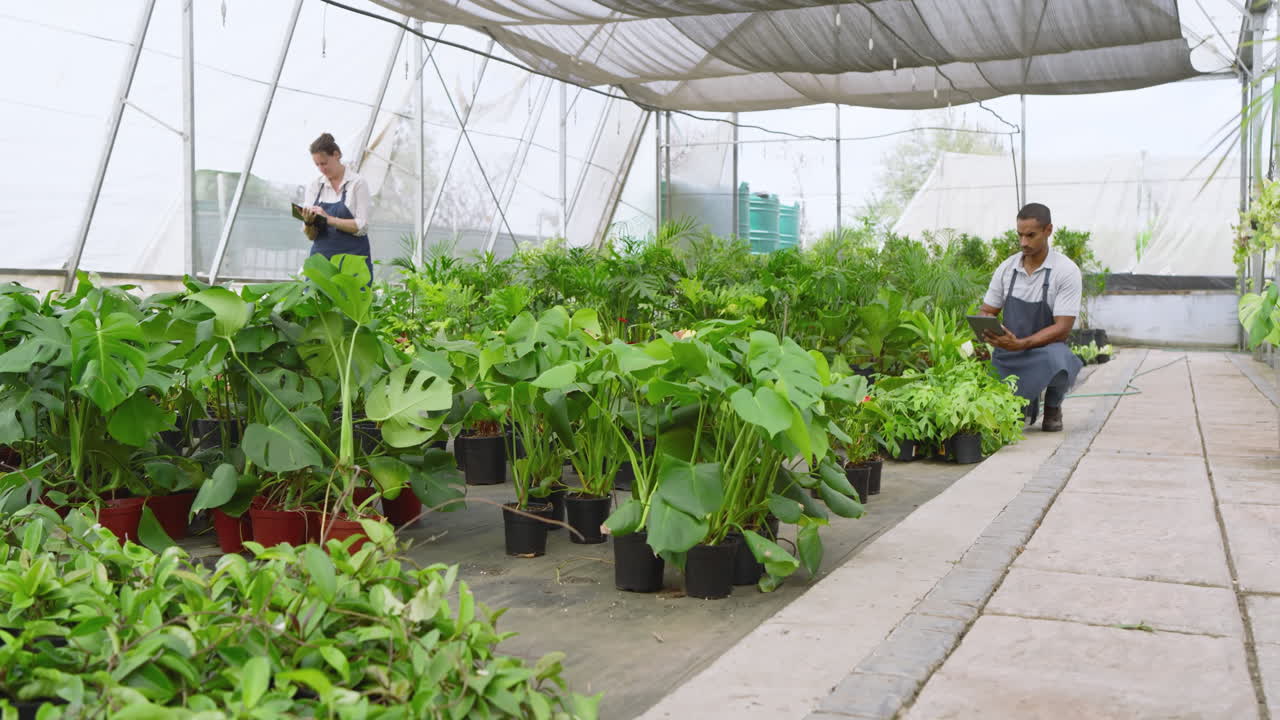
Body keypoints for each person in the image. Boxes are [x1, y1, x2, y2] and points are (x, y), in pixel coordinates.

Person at [978, 203, 1084, 432]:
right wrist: (985, 326)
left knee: (1060, 359)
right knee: (1005, 419)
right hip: (1009, 351)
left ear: (1048, 230)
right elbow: (988, 310)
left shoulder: (1065, 271)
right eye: (1020, 235)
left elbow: (1063, 328)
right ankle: (1022, 406)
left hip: (1044, 350)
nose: (1023, 242)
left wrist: (1022, 343)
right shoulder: (1007, 269)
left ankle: (1053, 407)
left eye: (1030, 235)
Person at [300, 133, 373, 279]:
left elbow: (361, 226)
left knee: (350, 300)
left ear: (337, 155)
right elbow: (311, 236)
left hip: (353, 261)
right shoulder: (315, 186)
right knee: (316, 300)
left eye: (324, 163)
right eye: (317, 164)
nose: (321, 168)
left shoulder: (357, 183)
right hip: (321, 262)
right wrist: (308, 222)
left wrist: (328, 219)